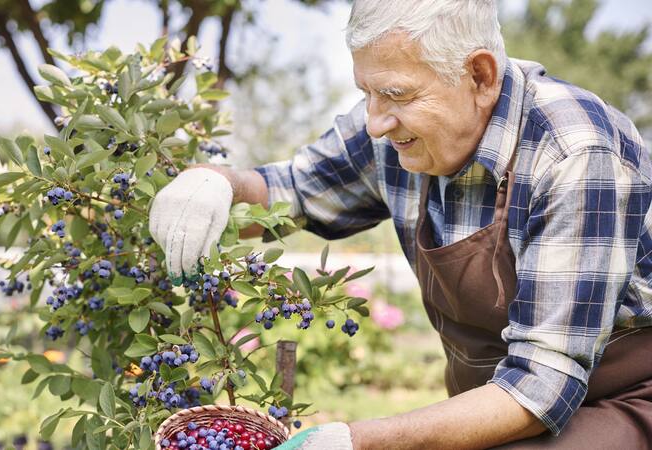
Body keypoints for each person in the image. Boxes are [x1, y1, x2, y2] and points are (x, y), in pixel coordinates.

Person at [149, 0, 652, 448]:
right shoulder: (397, 127)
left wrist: (358, 441)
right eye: (366, 92)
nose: (375, 123)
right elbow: (294, 191)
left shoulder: (574, 153)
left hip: (622, 398)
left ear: (480, 76)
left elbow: (541, 386)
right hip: (496, 404)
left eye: (396, 94)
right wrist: (217, 184)